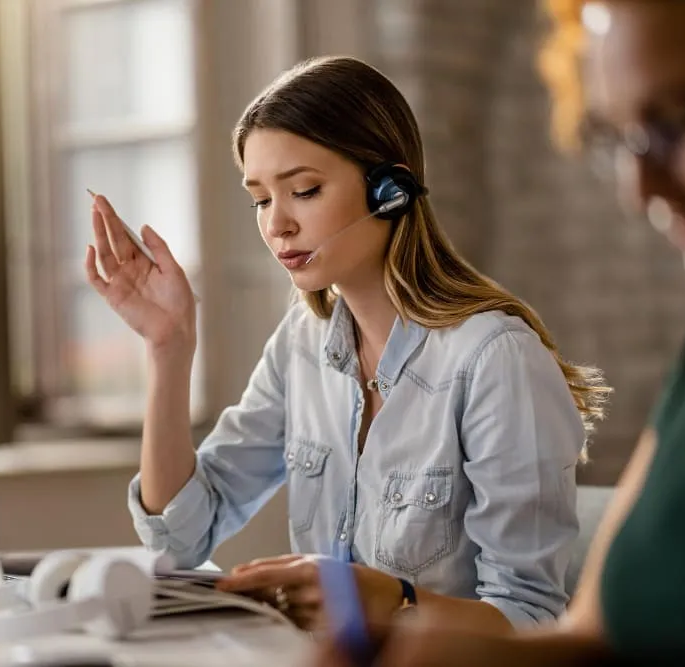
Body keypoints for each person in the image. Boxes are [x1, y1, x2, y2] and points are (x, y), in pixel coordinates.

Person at [84, 55, 609, 632]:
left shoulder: (494, 359)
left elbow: (530, 617)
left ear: (390, 189)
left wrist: (390, 600)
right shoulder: (301, 346)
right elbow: (178, 538)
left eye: (303, 190)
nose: (276, 224)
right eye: (260, 199)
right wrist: (169, 348)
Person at [311, 1, 685, 664]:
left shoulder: (495, 352)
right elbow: (594, 637)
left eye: (676, 120)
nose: (638, 189)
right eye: (618, 138)